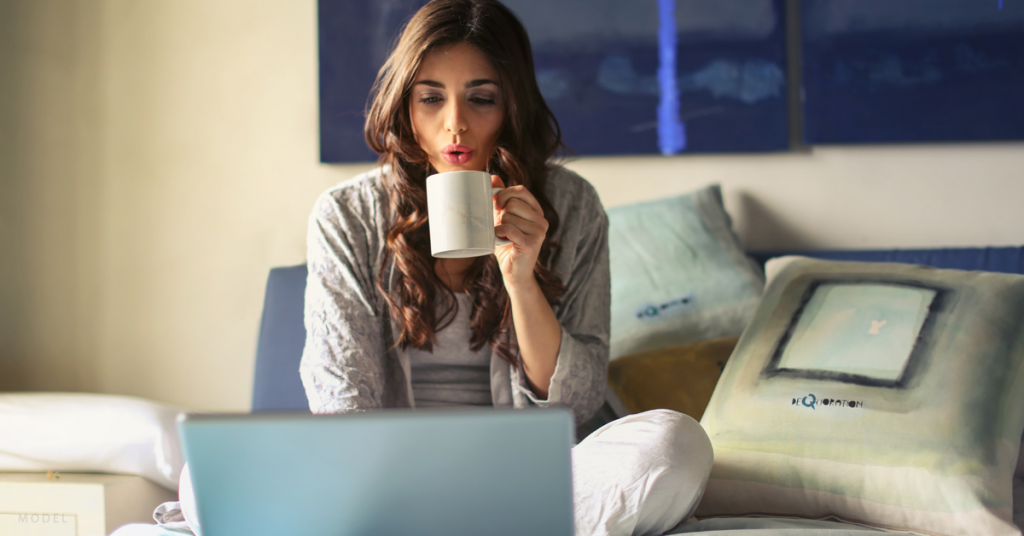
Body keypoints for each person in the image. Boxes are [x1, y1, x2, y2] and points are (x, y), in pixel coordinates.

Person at [299, 1, 713, 535]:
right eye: (431, 98)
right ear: (405, 108)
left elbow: (578, 403)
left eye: (482, 98)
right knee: (207, 481)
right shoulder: (347, 216)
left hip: (532, 475)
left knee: (673, 444)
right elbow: (341, 402)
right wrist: (376, 481)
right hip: (393, 475)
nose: (456, 124)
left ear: (511, 106)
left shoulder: (573, 206)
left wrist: (521, 279)